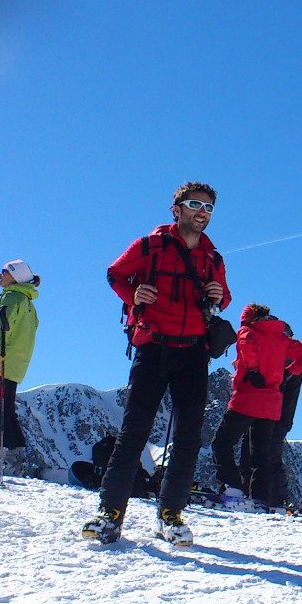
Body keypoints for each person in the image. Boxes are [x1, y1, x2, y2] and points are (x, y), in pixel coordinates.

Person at [83, 182, 229, 547]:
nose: (202, 212)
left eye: (209, 207)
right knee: (135, 432)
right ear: (176, 209)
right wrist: (131, 295)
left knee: (189, 437)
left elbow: (224, 297)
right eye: (195, 204)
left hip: (194, 352)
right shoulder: (148, 246)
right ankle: (111, 514)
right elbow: (115, 274)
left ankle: (171, 515)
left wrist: (219, 296)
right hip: (154, 347)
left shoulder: (213, 258)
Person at [210, 304, 302, 511]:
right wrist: (288, 372)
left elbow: (246, 344)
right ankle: (260, 500)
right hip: (271, 406)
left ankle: (233, 489)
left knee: (222, 443)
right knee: (260, 455)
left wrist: (250, 370)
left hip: (247, 399)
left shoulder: (248, 332)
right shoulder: (282, 339)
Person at [0, 259, 41, 476]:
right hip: (15, 366)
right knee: (7, 412)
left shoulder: (11, 299)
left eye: (4, 271)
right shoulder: (27, 304)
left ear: (14, 276)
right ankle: (16, 458)